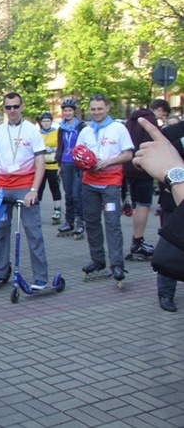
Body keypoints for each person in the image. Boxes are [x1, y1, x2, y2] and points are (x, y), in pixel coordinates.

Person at [0, 92, 50, 289]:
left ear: (21, 107)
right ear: (4, 109)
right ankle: (0, 272)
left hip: (25, 187)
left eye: (15, 106)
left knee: (33, 231)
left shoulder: (31, 130)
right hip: (3, 188)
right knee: (0, 232)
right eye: (8, 107)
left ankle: (41, 277)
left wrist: (34, 190)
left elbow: (40, 162)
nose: (12, 111)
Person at [75, 94, 134, 283]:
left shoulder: (118, 128)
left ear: (107, 108)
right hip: (89, 183)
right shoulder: (85, 131)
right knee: (91, 222)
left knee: (112, 223)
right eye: (93, 109)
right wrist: (84, 162)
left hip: (111, 183)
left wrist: (109, 161)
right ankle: (97, 260)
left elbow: (128, 154)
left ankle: (117, 264)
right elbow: (77, 154)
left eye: (100, 108)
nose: (96, 112)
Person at [132, 118, 184, 312]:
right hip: (172, 201)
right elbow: (158, 161)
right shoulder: (171, 132)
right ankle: (166, 293)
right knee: (170, 249)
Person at [122, 99, 171, 260]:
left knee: (138, 205)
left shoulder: (131, 120)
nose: (162, 118)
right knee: (144, 205)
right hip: (142, 169)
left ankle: (136, 239)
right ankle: (138, 241)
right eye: (163, 114)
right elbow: (153, 144)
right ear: (159, 109)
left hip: (128, 167)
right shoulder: (149, 121)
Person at [55, 98, 87, 238]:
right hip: (65, 162)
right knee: (68, 195)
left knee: (76, 194)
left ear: (74, 112)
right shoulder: (61, 128)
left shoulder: (81, 126)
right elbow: (60, 146)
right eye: (65, 110)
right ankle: (69, 221)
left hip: (77, 164)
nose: (67, 113)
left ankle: (80, 222)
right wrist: (59, 164)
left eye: (70, 110)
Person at [37, 112, 63, 222]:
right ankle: (36, 210)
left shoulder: (56, 133)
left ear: (51, 122)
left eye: (48, 121)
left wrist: (52, 150)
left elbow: (61, 148)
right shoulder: (38, 134)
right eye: (44, 121)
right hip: (41, 166)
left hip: (53, 165)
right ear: (41, 123)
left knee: (54, 187)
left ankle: (57, 210)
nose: (46, 123)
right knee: (39, 188)